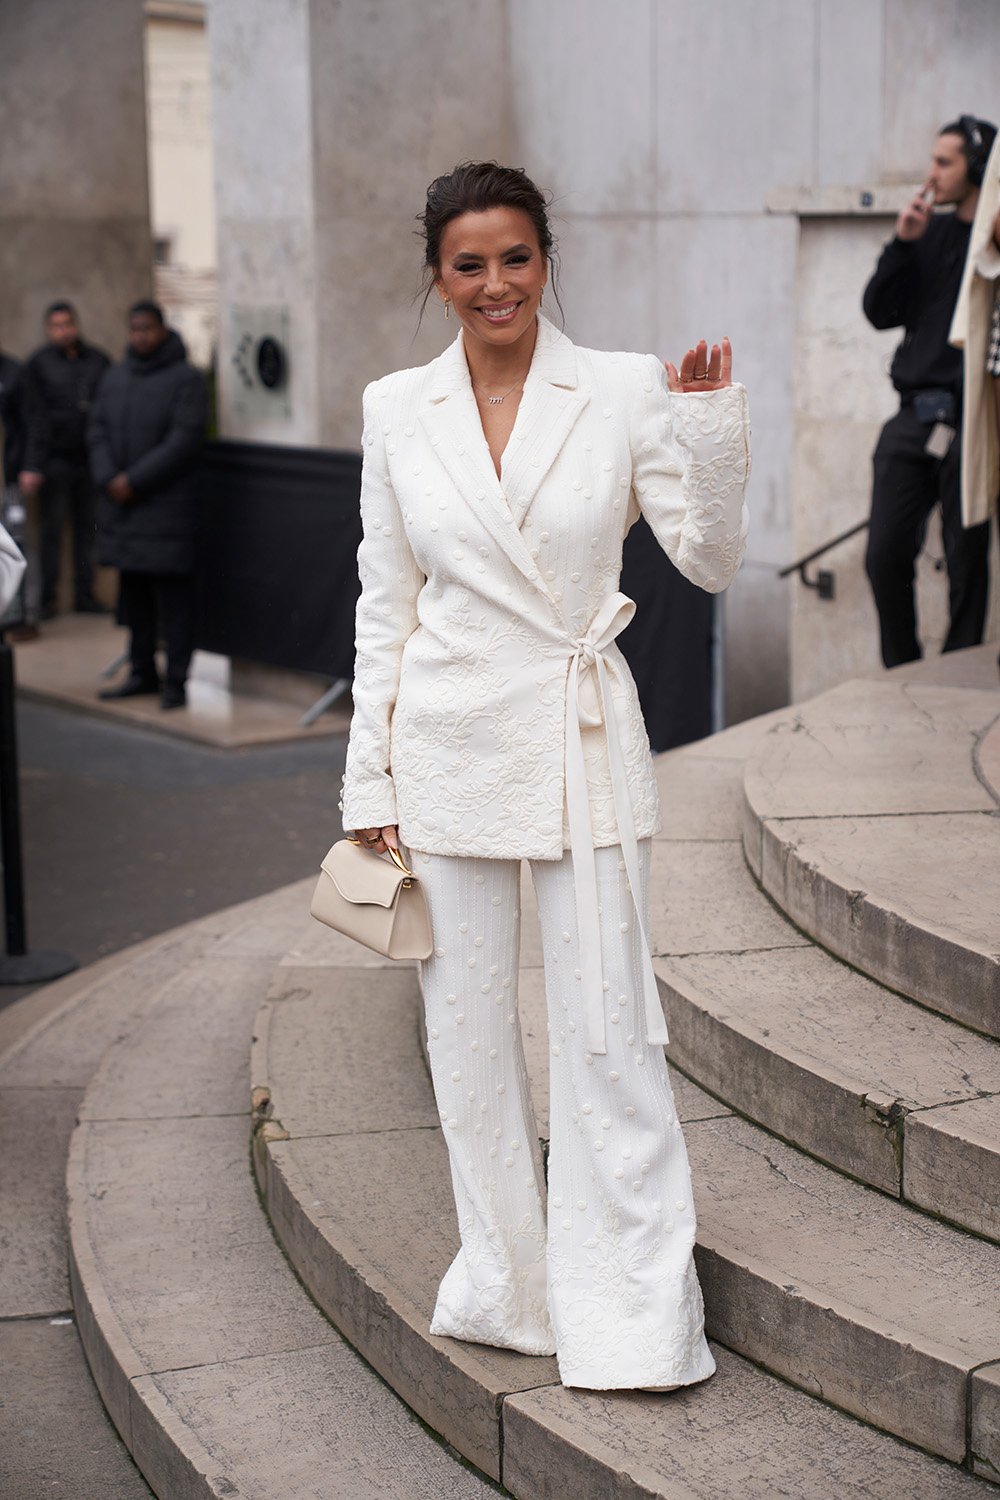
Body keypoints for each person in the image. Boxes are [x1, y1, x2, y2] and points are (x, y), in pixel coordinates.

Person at [339, 162, 750, 1392]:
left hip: (577, 733)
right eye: (468, 264)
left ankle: (628, 1314)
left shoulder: (622, 388)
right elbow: (383, 607)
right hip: (447, 743)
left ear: (545, 261)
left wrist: (712, 428)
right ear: (437, 276)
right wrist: (369, 793)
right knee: (464, 1042)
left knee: (610, 1032)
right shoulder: (394, 407)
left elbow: (710, 560)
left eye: (514, 257)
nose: (494, 283)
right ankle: (510, 1288)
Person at [863, 116, 996, 668]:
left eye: (946, 162)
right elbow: (877, 312)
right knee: (884, 553)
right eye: (932, 161)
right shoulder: (927, 232)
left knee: (967, 558)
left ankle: (960, 667)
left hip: (972, 416)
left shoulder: (992, 240)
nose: (932, 173)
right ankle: (903, 668)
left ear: (979, 169)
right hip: (913, 417)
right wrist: (901, 242)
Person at [88, 301, 208, 710]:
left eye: (147, 329)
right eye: (134, 329)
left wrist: (133, 481)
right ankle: (142, 674)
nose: (140, 336)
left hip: (167, 509)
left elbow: (184, 440)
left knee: (174, 605)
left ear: (161, 330)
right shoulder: (115, 376)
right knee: (134, 601)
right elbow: (97, 429)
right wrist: (109, 478)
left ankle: (176, 683)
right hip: (123, 510)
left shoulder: (187, 379)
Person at [19, 301, 110, 618]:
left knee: (88, 530)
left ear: (77, 324)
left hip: (90, 461)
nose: (63, 331)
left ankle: (85, 595)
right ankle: (47, 599)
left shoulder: (97, 361)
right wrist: (32, 463)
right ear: (48, 329)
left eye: (67, 324)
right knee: (51, 532)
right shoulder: (39, 364)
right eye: (56, 325)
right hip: (54, 462)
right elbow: (31, 416)